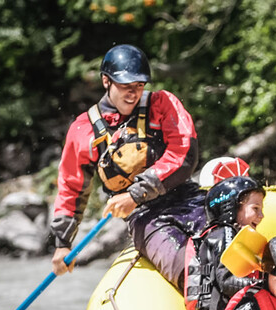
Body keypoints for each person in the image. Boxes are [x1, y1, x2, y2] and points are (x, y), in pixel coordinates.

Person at [49, 44, 204, 289]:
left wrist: (135, 194)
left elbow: (183, 153)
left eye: (139, 86)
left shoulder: (163, 104)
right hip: (145, 217)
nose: (133, 93)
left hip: (187, 199)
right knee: (192, 272)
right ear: (105, 82)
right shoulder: (83, 130)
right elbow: (71, 188)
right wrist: (63, 243)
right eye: (125, 86)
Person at [184, 176, 265, 310]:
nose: (261, 215)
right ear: (231, 207)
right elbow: (226, 281)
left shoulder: (222, 235)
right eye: (255, 208)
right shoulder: (224, 233)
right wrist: (265, 287)